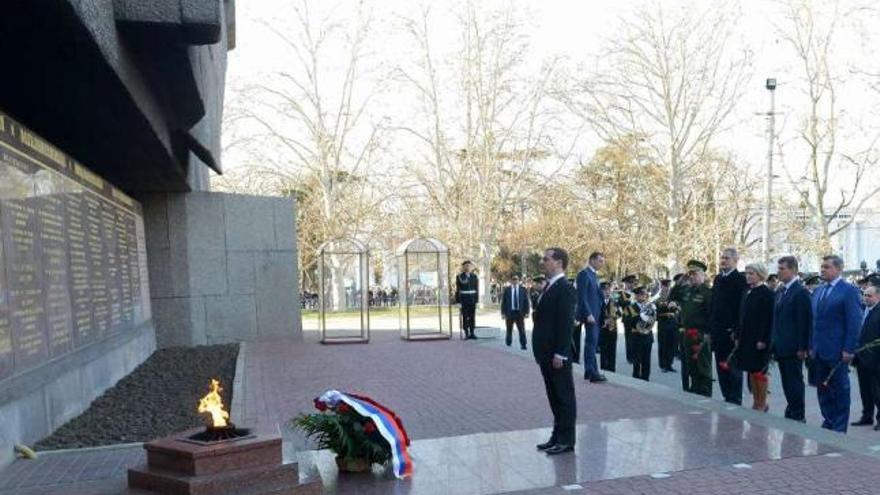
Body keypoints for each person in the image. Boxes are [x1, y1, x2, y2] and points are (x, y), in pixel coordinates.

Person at [532, 247, 577, 455]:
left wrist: (561, 352)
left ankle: (567, 440)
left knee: (563, 397)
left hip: (557, 355)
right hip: (546, 354)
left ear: (558, 262)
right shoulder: (549, 286)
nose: (543, 262)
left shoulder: (564, 288)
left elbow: (565, 324)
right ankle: (557, 436)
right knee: (553, 396)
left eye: (546, 259)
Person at [811, 254, 862, 433]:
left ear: (839, 269)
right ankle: (828, 420)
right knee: (822, 388)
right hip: (818, 350)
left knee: (840, 389)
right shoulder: (818, 291)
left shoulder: (849, 290)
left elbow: (854, 322)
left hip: (838, 350)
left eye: (827, 267)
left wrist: (849, 348)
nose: (822, 269)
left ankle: (839, 427)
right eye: (822, 266)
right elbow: (814, 321)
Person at [771, 255, 813, 422]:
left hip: (794, 346)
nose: (778, 272)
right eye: (778, 268)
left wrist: (803, 347)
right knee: (786, 381)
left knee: (794, 381)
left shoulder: (800, 292)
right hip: (781, 345)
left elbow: (805, 321)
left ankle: (798, 413)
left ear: (793, 270)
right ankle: (791, 407)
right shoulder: (781, 290)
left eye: (782, 269)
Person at [736, 263, 775, 412]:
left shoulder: (767, 293)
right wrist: (738, 334)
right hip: (747, 337)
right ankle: (756, 401)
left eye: (751, 273)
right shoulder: (747, 292)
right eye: (747, 273)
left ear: (760, 274)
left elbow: (769, 319)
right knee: (751, 370)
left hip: (760, 339)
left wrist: (764, 339)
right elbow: (742, 315)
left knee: (760, 371)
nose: (748, 276)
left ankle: (762, 402)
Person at [710, 248, 747, 405]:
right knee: (721, 367)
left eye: (727, 258)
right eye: (722, 258)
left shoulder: (740, 279)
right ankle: (727, 397)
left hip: (731, 333)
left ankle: (735, 399)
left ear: (735, 260)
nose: (723, 260)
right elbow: (714, 305)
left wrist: (737, 331)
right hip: (718, 332)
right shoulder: (718, 279)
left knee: (733, 368)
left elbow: (741, 308)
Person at [679, 260, 713, 397]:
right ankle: (695, 390)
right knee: (690, 364)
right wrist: (681, 280)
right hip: (688, 333)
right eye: (690, 274)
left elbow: (711, 315)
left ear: (702, 275)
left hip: (701, 334)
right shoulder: (688, 291)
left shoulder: (707, 293)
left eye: (694, 273)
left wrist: (708, 334)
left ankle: (705, 392)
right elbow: (673, 295)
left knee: (702, 366)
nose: (691, 276)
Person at [852, 285, 880, 430]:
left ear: (878, 296)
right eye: (865, 295)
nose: (866, 298)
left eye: (869, 295)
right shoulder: (863, 310)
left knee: (877, 389)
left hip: (875, 358)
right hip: (861, 357)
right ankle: (867, 416)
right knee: (865, 390)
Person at [576, 252, 607, 383]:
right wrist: (588, 313)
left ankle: (591, 371)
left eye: (602, 261)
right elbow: (581, 296)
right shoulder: (584, 274)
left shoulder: (594, 275)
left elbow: (596, 295)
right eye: (600, 260)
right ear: (592, 260)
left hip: (596, 314)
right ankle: (591, 372)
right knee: (591, 343)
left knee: (593, 343)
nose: (602, 263)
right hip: (590, 315)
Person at [630, 286, 657, 381]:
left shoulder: (650, 306)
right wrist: (641, 317)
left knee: (646, 360)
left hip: (647, 336)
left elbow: (653, 319)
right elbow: (627, 321)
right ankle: (636, 378)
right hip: (636, 337)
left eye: (645, 294)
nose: (644, 296)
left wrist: (650, 317)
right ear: (636, 296)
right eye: (641, 294)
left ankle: (646, 378)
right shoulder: (631, 307)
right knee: (637, 360)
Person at [501, 274, 530, 350]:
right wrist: (503, 313)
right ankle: (508, 343)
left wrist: (527, 312)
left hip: (519, 313)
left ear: (518, 280)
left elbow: (526, 301)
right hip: (510, 312)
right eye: (513, 279)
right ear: (511, 280)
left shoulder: (522, 289)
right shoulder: (507, 290)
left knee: (522, 330)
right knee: (509, 329)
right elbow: (503, 302)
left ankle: (523, 344)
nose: (515, 281)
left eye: (516, 279)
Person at [655, 279, 679, 373]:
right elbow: (656, 313)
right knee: (663, 345)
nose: (667, 288)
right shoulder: (658, 298)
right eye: (665, 286)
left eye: (668, 286)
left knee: (672, 344)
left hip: (672, 324)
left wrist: (675, 310)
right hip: (663, 324)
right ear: (662, 287)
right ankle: (663, 365)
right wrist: (666, 314)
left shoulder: (672, 298)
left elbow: (677, 309)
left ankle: (669, 364)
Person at [599, 282, 621, 372]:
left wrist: (616, 315)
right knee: (604, 351)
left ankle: (612, 370)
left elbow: (620, 313)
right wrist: (604, 321)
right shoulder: (598, 302)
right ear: (601, 291)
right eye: (605, 290)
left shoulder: (614, 301)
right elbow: (596, 315)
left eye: (608, 290)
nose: (607, 292)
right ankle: (604, 369)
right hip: (603, 330)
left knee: (612, 350)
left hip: (613, 330)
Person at [455, 260, 479, 339]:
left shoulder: (474, 276)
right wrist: (458, 301)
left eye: (469, 266)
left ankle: (472, 332)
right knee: (465, 317)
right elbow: (458, 289)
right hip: (464, 300)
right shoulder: (460, 277)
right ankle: (466, 333)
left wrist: (477, 300)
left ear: (471, 267)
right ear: (463, 267)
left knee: (472, 317)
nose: (468, 267)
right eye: (466, 266)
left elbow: (476, 289)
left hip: (472, 300)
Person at [619, 274, 638, 363]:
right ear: (626, 283)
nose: (632, 285)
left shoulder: (636, 292)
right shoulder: (622, 293)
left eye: (633, 283)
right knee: (629, 338)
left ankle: (636, 354)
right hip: (628, 318)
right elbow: (621, 304)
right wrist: (630, 299)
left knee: (636, 337)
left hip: (637, 318)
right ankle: (630, 357)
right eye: (630, 283)